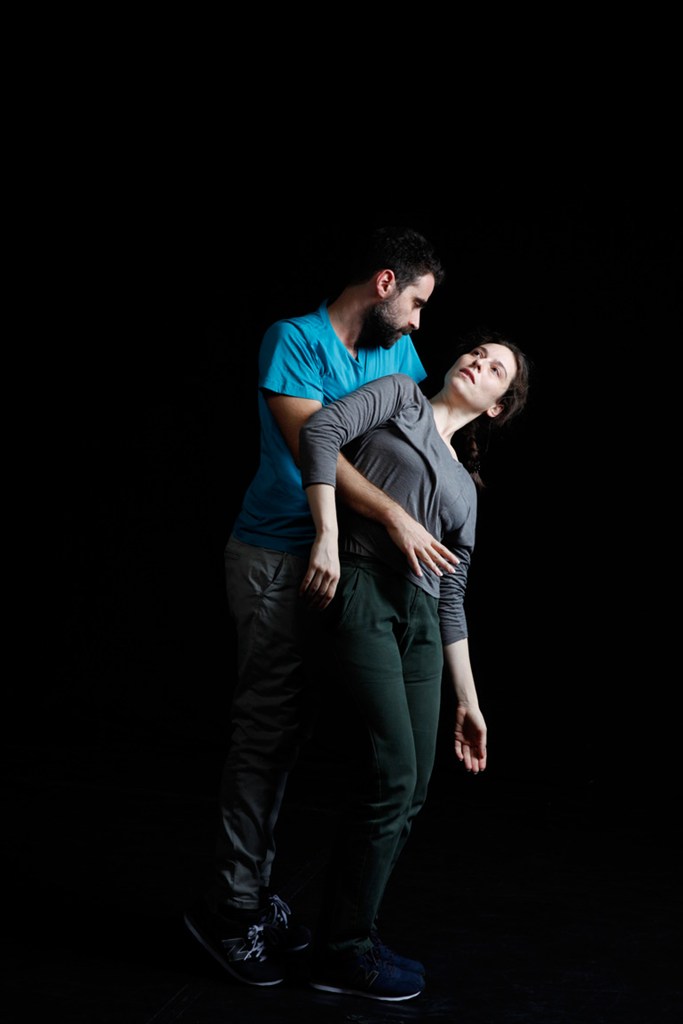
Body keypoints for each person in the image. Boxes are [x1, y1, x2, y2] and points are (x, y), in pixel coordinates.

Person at [184, 226, 451, 987]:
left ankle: (286, 906)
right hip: (277, 557)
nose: (419, 323)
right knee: (267, 730)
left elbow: (411, 440)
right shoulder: (293, 340)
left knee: (315, 737)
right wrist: (395, 517)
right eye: (417, 303)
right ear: (384, 282)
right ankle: (231, 910)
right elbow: (318, 448)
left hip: (350, 565)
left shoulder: (397, 352)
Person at [297, 332, 531, 1001]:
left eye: (495, 369)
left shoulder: (467, 491)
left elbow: (453, 595)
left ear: (496, 406)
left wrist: (470, 702)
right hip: (364, 586)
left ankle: (351, 933)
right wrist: (328, 534)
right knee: (391, 772)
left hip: (422, 622)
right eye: (477, 353)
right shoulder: (400, 396)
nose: (477, 363)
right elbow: (319, 433)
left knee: (415, 786)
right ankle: (340, 951)